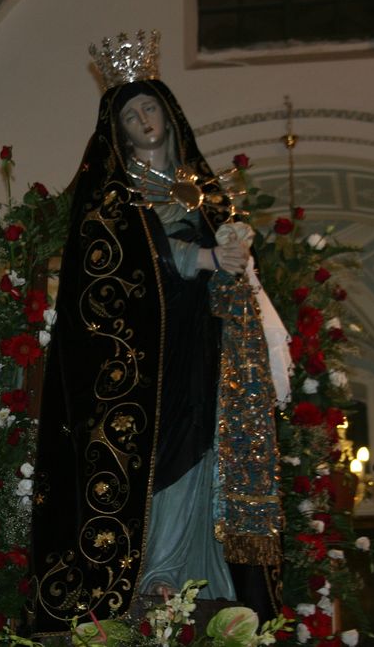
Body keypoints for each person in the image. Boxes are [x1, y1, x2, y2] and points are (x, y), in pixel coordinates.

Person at [30, 31, 282, 637]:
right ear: (118, 133)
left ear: (169, 115)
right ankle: (156, 574)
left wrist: (234, 246)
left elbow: (234, 262)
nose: (143, 120)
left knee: (209, 445)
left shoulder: (203, 191)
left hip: (206, 342)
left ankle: (208, 577)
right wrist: (202, 258)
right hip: (143, 359)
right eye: (130, 115)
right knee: (162, 448)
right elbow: (112, 268)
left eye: (150, 108)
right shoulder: (113, 198)